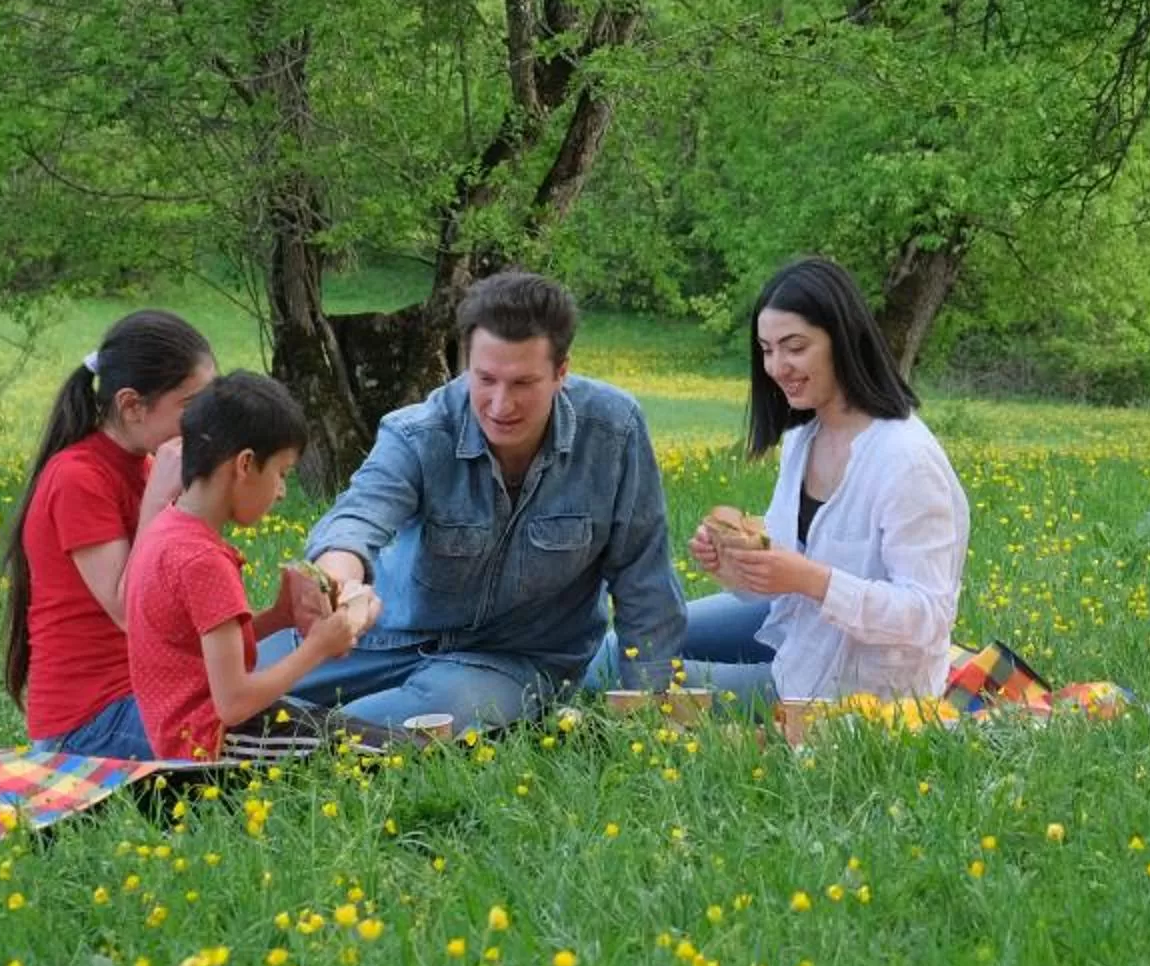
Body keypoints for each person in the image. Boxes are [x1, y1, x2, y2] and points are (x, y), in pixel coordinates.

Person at [293, 271, 684, 727]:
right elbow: (355, 520)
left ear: (561, 371)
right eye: (486, 379)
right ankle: (297, 728)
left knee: (436, 711)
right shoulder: (419, 432)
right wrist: (341, 585)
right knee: (231, 682)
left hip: (517, 662)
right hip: (383, 642)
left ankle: (312, 741)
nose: (500, 404)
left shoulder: (614, 430)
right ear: (465, 362)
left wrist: (647, 711)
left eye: (523, 384)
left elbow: (645, 577)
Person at [657, 256, 969, 703]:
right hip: (798, 626)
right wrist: (735, 566)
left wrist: (812, 580)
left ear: (842, 340)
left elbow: (928, 615)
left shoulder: (906, 460)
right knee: (630, 641)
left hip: (853, 688)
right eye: (767, 350)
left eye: (795, 347)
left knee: (624, 670)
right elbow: (790, 562)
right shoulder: (805, 437)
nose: (777, 366)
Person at [127, 374, 381, 761]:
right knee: (388, 756)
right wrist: (317, 647)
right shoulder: (202, 560)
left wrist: (279, 617)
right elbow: (233, 704)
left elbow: (197, 647)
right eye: (281, 473)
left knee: (358, 736)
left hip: (188, 736)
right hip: (216, 742)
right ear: (245, 464)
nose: (281, 492)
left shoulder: (167, 530)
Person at [1, 310, 215, 756]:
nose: (204, 425)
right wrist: (158, 501)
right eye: (192, 408)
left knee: (288, 720)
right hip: (88, 723)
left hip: (144, 694)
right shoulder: (78, 477)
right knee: (270, 747)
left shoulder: (149, 467)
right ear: (132, 406)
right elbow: (127, 609)